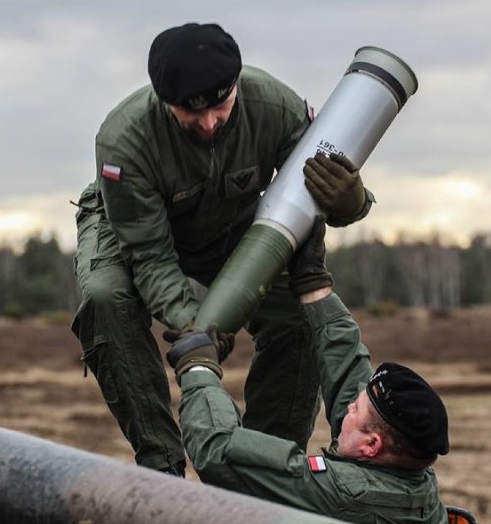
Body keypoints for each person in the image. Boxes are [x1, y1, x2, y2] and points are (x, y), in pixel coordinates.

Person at [71, 22, 374, 476]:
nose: (210, 123)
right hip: (132, 227)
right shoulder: (124, 140)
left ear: (236, 86)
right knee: (105, 298)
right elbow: (150, 257)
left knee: (295, 316)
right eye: (191, 114)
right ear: (163, 101)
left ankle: (263, 469)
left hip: (231, 220)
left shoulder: (275, 106)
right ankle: (161, 464)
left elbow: (311, 203)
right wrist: (200, 327)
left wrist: (350, 199)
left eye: (221, 106)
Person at [164, 218, 450, 524]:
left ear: (371, 446)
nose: (350, 406)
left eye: (356, 409)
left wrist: (198, 367)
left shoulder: (347, 494)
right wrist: (315, 286)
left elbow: (219, 450)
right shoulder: (411, 475)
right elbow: (349, 374)